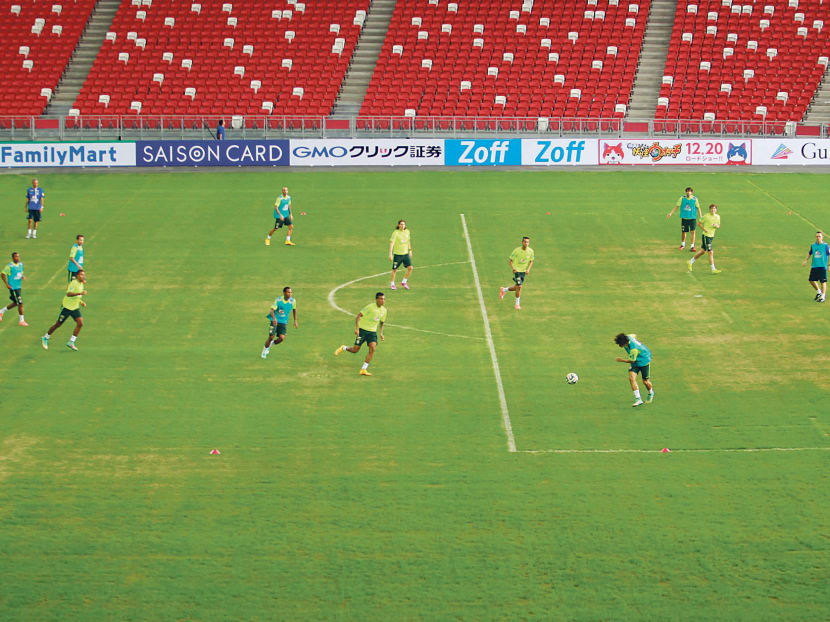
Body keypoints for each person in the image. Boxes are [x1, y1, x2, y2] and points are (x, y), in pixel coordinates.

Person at [334, 291, 386, 376]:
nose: (383, 301)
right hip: (362, 331)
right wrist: (357, 329)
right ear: (376, 299)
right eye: (381, 299)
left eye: (384, 299)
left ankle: (363, 369)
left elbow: (382, 322)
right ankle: (344, 348)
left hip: (372, 332)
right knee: (355, 350)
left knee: (372, 348)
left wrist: (381, 333)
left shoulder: (384, 310)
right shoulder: (370, 307)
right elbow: (358, 316)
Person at [42, 270, 87, 351]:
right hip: (67, 307)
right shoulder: (73, 283)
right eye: (81, 275)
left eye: (84, 275)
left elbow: (77, 296)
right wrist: (79, 294)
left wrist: (81, 302)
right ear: (77, 275)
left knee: (80, 323)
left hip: (75, 307)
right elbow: (68, 294)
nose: (83, 276)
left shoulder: (81, 284)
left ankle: (71, 342)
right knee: (58, 324)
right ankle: (46, 337)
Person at [614, 333, 654, 407]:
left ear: (625, 343)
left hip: (643, 361)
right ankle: (638, 399)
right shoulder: (629, 337)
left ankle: (651, 393)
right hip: (635, 361)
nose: (620, 346)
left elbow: (631, 360)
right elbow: (634, 335)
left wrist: (621, 360)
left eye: (620, 344)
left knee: (645, 381)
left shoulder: (634, 349)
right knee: (631, 378)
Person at [262, 286, 298, 358]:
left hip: (283, 322)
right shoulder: (278, 300)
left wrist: (295, 320)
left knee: (281, 338)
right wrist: (274, 319)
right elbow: (271, 310)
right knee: (271, 337)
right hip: (275, 321)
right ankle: (264, 350)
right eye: (288, 292)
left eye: (291, 292)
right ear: (284, 293)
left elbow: (294, 309)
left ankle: (270, 344)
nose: (290, 294)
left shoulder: (293, 301)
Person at [500, 236, 534, 310]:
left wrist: (528, 269)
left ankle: (504, 290)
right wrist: (513, 269)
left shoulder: (531, 251)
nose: (526, 243)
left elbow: (531, 261)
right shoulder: (516, 250)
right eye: (525, 242)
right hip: (517, 271)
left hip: (523, 272)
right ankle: (517, 304)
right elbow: (510, 260)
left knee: (517, 287)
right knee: (519, 286)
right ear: (522, 242)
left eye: (528, 242)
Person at [687, 204, 722, 274]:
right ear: (710, 209)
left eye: (714, 209)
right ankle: (713, 269)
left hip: (711, 236)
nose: (713, 210)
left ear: (716, 210)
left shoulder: (718, 217)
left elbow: (718, 225)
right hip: (706, 236)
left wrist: (716, 226)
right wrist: (704, 229)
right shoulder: (706, 216)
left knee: (703, 251)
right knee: (710, 252)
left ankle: (690, 262)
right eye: (712, 209)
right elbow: (699, 223)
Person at [666, 187, 702, 251]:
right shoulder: (682, 198)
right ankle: (682, 245)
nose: (688, 192)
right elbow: (676, 206)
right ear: (685, 192)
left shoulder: (695, 199)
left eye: (689, 191)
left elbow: (698, 207)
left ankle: (692, 246)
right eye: (687, 191)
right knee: (683, 232)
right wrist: (670, 213)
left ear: (692, 192)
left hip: (692, 218)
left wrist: (701, 216)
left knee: (693, 232)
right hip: (684, 218)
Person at [0, 252, 27, 326]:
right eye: (16, 257)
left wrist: (22, 276)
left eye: (18, 256)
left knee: (16, 303)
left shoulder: (21, 264)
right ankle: (21, 321)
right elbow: (2, 274)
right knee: (20, 303)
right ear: (13, 258)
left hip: (18, 287)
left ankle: (1, 312)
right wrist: (6, 284)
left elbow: (20, 272)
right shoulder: (10, 266)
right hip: (13, 288)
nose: (17, 258)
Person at [802, 230, 829, 303]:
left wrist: (829, 265)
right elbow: (810, 253)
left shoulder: (825, 246)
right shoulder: (813, 245)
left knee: (823, 282)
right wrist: (806, 260)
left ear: (822, 237)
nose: (818, 238)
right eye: (817, 236)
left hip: (822, 266)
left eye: (819, 236)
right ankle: (819, 292)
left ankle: (823, 296)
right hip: (814, 266)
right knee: (811, 280)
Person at [389, 219, 413, 290]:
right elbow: (391, 243)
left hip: (405, 254)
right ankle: (392, 284)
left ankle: (404, 282)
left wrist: (410, 250)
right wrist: (390, 254)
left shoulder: (407, 232)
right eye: (401, 224)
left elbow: (408, 241)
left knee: (410, 268)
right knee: (394, 269)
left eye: (404, 224)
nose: (403, 226)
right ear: (398, 225)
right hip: (397, 255)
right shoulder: (395, 233)